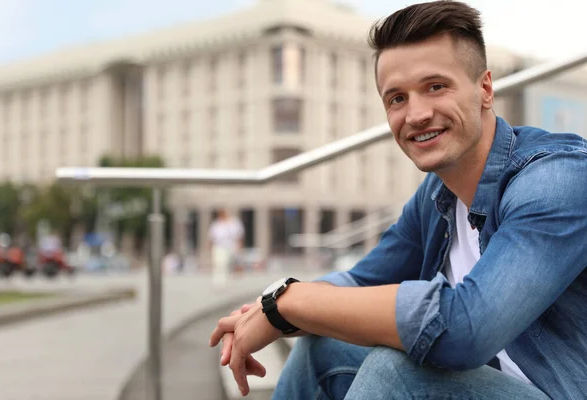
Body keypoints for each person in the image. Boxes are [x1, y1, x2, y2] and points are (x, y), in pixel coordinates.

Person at [209, 1, 587, 398]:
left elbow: (467, 330)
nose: (417, 114)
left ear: (485, 89)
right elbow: (359, 281)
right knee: (322, 347)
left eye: (435, 87)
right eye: (397, 99)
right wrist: (267, 308)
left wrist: (290, 302)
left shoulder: (558, 179)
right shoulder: (439, 193)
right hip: (493, 383)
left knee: (396, 372)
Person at [208, 208, 245, 288]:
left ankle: (227, 282)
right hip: (219, 247)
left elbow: (238, 237)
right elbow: (212, 238)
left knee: (229, 265)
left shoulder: (234, 223)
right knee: (220, 264)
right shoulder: (216, 225)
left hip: (231, 247)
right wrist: (210, 250)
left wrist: (239, 248)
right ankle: (219, 283)